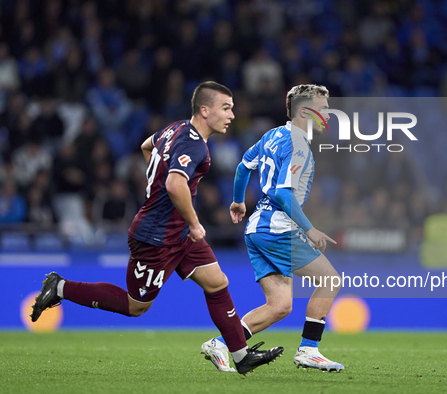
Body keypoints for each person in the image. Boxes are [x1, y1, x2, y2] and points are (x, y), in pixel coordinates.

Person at [30, 81, 283, 375]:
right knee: (136, 305)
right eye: (226, 108)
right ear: (205, 110)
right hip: (156, 237)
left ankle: (240, 356)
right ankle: (59, 287)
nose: (231, 115)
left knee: (217, 282)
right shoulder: (193, 144)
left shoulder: (174, 129)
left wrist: (160, 182)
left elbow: (146, 146)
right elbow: (175, 184)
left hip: (177, 233)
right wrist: (194, 222)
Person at [202, 84, 344, 372]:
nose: (328, 112)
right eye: (323, 106)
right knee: (329, 280)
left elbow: (243, 167)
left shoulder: (272, 135)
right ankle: (309, 350)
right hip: (278, 229)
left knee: (279, 305)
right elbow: (283, 192)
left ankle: (220, 343)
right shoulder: (299, 143)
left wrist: (238, 202)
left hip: (257, 228)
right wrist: (310, 229)